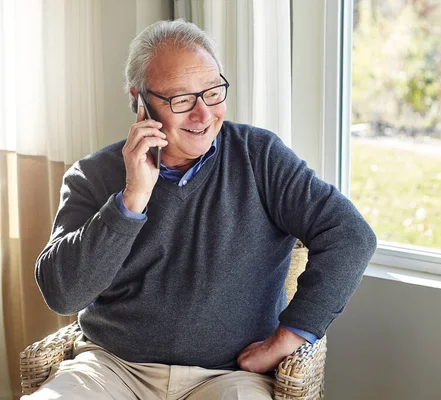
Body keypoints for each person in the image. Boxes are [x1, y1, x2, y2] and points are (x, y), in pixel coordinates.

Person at [26, 19, 376, 399]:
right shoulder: (93, 174)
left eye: (212, 92)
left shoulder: (260, 157)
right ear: (139, 101)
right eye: (181, 99)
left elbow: (350, 235)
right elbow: (64, 295)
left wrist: (286, 338)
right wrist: (130, 201)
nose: (204, 115)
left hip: (229, 376)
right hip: (112, 367)